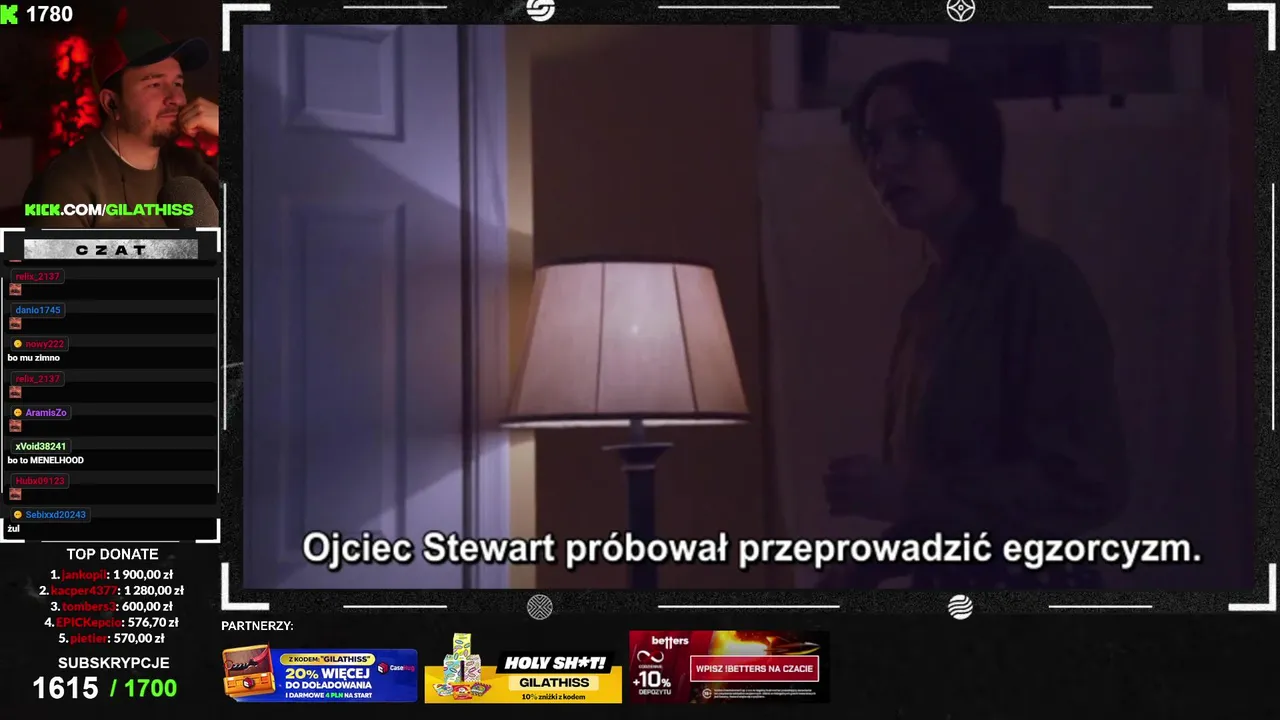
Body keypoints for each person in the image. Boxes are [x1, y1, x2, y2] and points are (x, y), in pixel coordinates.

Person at [821, 61, 1129, 590]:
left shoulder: (1035, 278)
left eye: (913, 133)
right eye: (873, 143)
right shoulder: (927, 305)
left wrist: (909, 496)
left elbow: (1088, 482)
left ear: (967, 143)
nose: (885, 161)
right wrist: (868, 566)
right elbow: (944, 512)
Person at [23, 11, 219, 228]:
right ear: (111, 103)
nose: (176, 98)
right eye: (154, 84)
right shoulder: (65, 183)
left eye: (177, 84)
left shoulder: (189, 166)